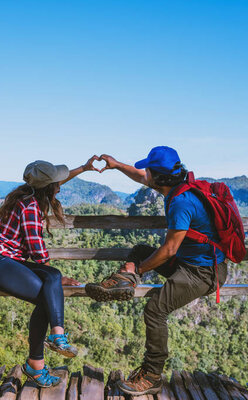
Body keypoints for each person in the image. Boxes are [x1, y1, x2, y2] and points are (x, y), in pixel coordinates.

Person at [85, 146, 228, 396]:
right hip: (189, 263)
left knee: (155, 309)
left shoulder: (182, 202)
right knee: (141, 249)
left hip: (204, 272)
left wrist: (139, 268)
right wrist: (116, 164)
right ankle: (125, 282)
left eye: (148, 169)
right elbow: (140, 176)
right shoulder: (175, 186)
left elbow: (170, 249)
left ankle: (152, 376)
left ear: (159, 176)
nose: (145, 172)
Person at [0, 157, 99, 387]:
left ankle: (51, 344)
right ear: (49, 188)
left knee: (52, 278)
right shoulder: (30, 207)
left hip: (4, 261)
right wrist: (56, 279)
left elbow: (56, 180)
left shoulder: (26, 194)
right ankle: (49, 347)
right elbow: (37, 250)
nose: (60, 187)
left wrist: (84, 168)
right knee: (50, 287)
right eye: (56, 184)